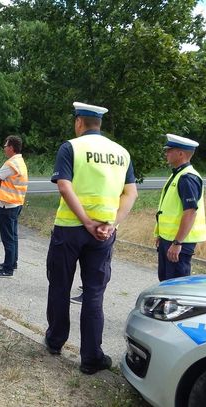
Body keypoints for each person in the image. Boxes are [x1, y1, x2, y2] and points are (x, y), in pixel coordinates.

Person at [45, 102, 138, 375]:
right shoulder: (122, 153)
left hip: (70, 229)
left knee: (60, 287)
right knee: (94, 294)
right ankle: (91, 358)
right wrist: (111, 224)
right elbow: (130, 193)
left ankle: (55, 341)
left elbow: (64, 185)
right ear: (100, 124)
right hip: (103, 234)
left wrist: (85, 220)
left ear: (78, 123)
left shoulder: (70, 147)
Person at [155, 134, 206, 282]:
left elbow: (190, 212)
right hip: (170, 239)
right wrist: (162, 235)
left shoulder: (187, 177)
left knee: (176, 285)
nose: (166, 153)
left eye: (169, 150)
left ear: (181, 154)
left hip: (179, 242)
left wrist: (178, 243)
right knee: (166, 282)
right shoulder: (179, 174)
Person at [0, 135, 28, 278]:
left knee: (8, 238)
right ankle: (13, 262)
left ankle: (7, 268)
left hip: (7, 204)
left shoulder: (11, 164)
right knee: (13, 235)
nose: (4, 148)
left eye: (5, 146)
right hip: (17, 202)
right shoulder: (20, 161)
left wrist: (0, 182)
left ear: (11, 148)